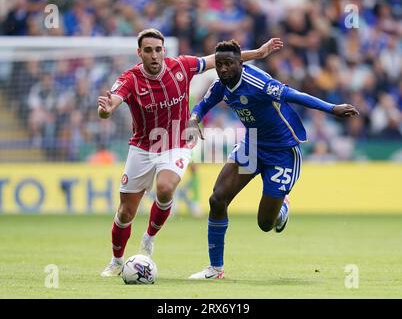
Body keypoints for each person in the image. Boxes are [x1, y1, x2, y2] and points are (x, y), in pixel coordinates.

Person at [97, 29, 284, 277]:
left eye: (158, 49)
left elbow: (215, 59)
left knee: (164, 188)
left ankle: (150, 236)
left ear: (164, 50)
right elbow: (113, 100)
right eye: (148, 50)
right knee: (125, 212)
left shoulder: (182, 66)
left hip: (177, 141)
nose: (154, 55)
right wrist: (106, 110)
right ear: (139, 52)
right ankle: (117, 260)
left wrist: (258, 53)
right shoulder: (130, 79)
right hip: (142, 147)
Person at [187, 40, 359, 279]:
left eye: (228, 64)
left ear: (240, 63)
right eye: (219, 65)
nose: (223, 69)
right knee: (217, 199)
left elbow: (294, 95)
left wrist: (332, 108)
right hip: (253, 144)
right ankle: (215, 269)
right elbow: (203, 104)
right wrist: (194, 119)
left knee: (266, 224)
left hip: (282, 152)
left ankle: (282, 206)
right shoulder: (221, 85)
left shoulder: (259, 82)